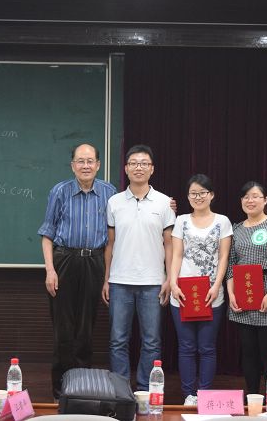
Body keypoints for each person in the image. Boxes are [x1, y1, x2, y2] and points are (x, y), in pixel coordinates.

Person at [38, 143, 117, 399]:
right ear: (73, 165)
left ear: (98, 165)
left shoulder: (109, 193)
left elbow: (114, 236)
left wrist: (107, 277)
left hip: (94, 262)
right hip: (65, 261)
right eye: (80, 161)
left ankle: (81, 389)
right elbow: (47, 234)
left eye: (90, 161)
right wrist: (50, 270)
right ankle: (60, 390)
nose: (85, 166)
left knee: (86, 329)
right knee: (63, 329)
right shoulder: (59, 191)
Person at [102, 144, 176, 391]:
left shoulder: (164, 203)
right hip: (119, 281)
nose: (138, 168)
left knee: (152, 341)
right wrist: (106, 279)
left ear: (152, 169)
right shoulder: (114, 202)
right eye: (133, 163)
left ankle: (145, 390)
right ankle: (121, 390)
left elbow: (169, 244)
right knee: (117, 340)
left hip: (153, 282)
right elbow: (110, 243)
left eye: (144, 163)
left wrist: (169, 278)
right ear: (125, 168)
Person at [169, 174, 232, 406]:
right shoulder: (181, 220)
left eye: (202, 193)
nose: (198, 197)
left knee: (207, 347)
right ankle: (189, 395)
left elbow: (223, 256)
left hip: (211, 294)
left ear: (211, 195)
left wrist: (216, 286)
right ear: (188, 197)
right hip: (183, 293)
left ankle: (204, 394)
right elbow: (177, 254)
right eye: (193, 193)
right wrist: (173, 283)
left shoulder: (222, 221)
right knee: (186, 347)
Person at [226, 181, 267, 395]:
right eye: (246, 197)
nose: (250, 200)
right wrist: (231, 293)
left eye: (255, 196)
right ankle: (252, 396)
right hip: (243, 293)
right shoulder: (236, 229)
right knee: (248, 351)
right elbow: (231, 264)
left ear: (265, 200)